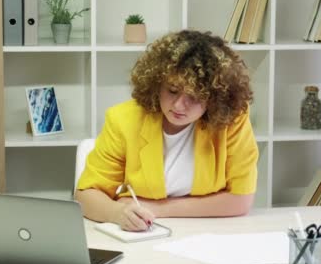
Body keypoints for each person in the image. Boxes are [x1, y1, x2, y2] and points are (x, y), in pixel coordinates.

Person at [74, 30, 258, 231]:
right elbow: (85, 196)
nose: (179, 105)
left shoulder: (231, 121)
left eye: (195, 96)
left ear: (215, 98)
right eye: (172, 90)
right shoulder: (124, 120)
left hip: (208, 233)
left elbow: (241, 200)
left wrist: (158, 208)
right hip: (142, 235)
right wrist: (117, 213)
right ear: (156, 83)